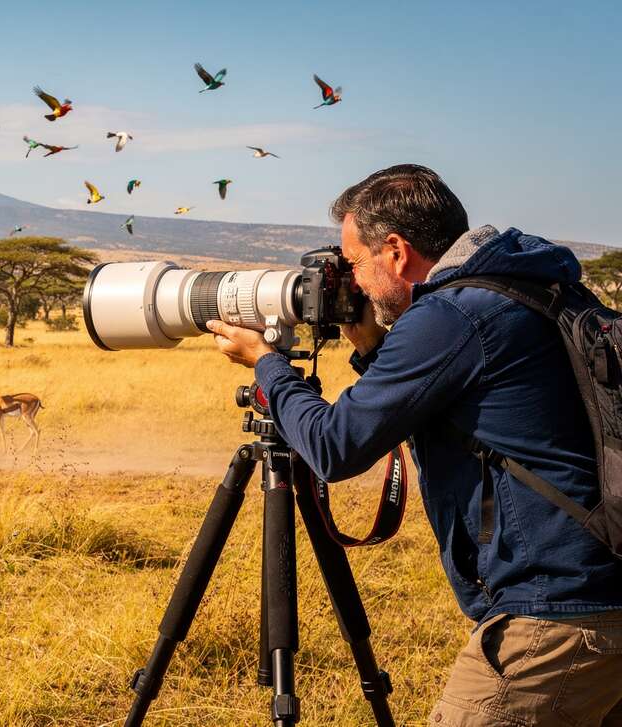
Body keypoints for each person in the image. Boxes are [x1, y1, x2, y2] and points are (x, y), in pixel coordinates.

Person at [206, 164, 622, 725]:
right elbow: (458, 404)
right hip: (599, 592)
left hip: (554, 614)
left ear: (395, 251)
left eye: (354, 263)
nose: (351, 283)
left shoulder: (451, 315)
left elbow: (333, 448)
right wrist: (370, 346)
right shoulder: (522, 287)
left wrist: (268, 368)